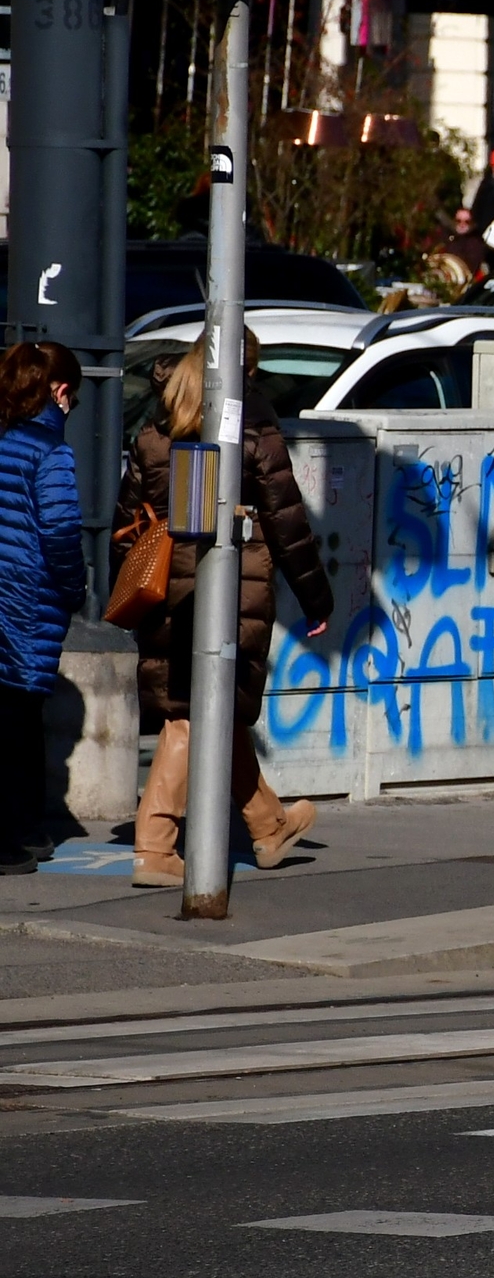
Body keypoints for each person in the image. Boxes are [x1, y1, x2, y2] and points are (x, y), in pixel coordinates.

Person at [116, 338, 335, 887]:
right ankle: (156, 844)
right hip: (234, 584)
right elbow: (286, 516)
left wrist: (141, 587)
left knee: (217, 707)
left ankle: (269, 825)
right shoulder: (250, 420)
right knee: (193, 712)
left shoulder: (159, 422)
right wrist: (317, 599)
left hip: (165, 586)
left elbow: (126, 524)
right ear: (246, 369)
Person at [0, 343, 89, 874]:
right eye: (71, 398)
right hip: (26, 599)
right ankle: (14, 839)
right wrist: (76, 589)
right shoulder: (49, 453)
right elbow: (59, 532)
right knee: (18, 717)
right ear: (58, 391)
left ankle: (25, 831)